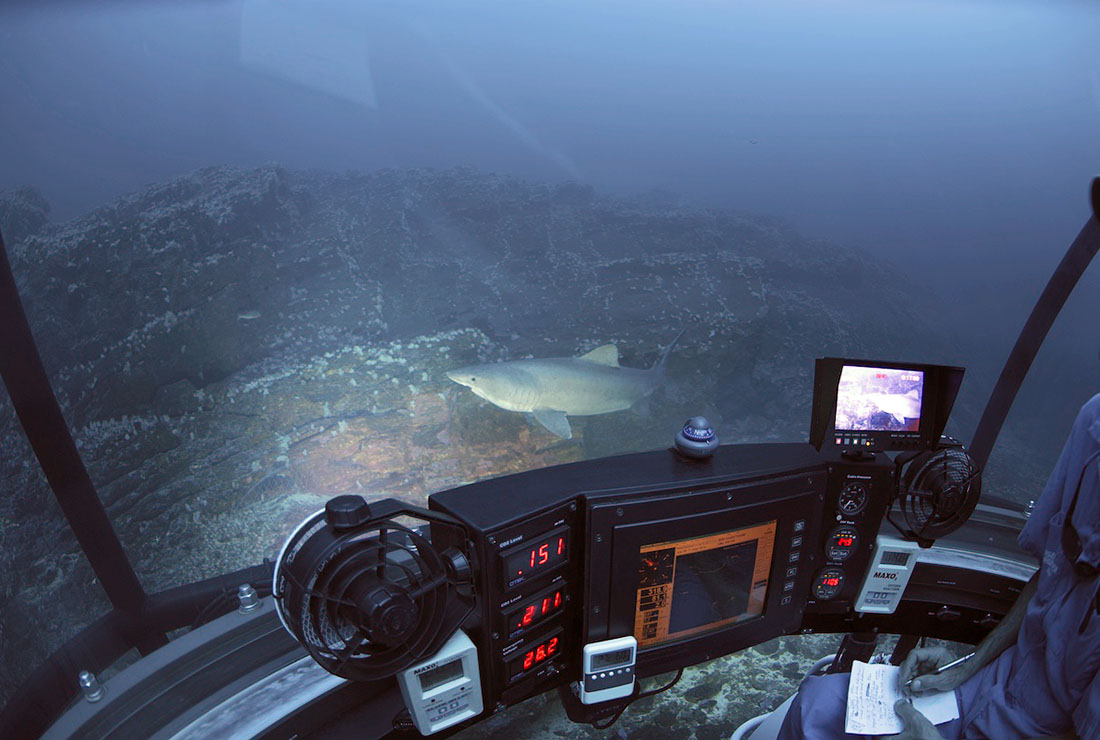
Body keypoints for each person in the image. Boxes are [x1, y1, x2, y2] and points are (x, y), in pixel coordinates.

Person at [777, 392, 1100, 740]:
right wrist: (966, 667)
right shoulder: (1093, 420)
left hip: (1035, 730)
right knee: (815, 702)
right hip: (986, 687)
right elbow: (1051, 573)